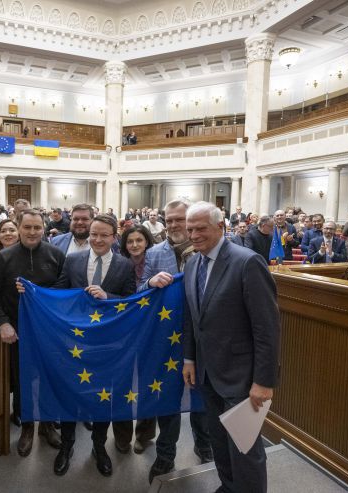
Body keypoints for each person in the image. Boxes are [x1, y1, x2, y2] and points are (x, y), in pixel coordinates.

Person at [181, 201, 280, 493]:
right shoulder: (191, 263)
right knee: (220, 441)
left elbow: (267, 328)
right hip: (208, 374)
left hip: (243, 376)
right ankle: (229, 487)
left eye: (201, 228)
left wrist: (263, 381)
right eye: (190, 229)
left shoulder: (247, 262)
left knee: (245, 448)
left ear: (220, 226)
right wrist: (189, 358)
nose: (194, 235)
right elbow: (192, 318)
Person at [51, 214, 136, 477]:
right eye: (94, 234)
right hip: (74, 343)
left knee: (103, 396)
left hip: (107, 345)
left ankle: (99, 447)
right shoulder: (73, 259)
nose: (98, 239)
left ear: (114, 237)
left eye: (104, 235)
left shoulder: (125, 265)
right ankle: (66, 446)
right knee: (69, 394)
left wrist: (108, 297)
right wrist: (32, 291)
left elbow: (132, 301)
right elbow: (59, 293)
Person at [0, 209, 64, 457]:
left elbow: (63, 288)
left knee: (50, 378)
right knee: (22, 382)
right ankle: (28, 426)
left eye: (37, 227)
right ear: (18, 228)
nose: (32, 232)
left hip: (49, 331)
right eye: (27, 227)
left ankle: (48, 425)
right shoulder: (4, 257)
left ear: (43, 228)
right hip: (18, 332)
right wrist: (3, 323)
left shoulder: (56, 254)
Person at [143, 199, 212, 483]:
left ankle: (204, 445)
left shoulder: (207, 251)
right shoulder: (153, 253)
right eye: (168, 220)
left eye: (179, 219)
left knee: (202, 394)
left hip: (203, 335)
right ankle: (165, 455)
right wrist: (149, 283)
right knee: (168, 397)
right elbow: (139, 289)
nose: (173, 225)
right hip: (167, 337)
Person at [113, 224, 157, 453]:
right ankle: (121, 437)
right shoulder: (119, 264)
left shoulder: (157, 261)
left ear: (147, 242)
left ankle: (145, 434)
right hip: (123, 334)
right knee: (121, 384)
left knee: (149, 383)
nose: (134, 245)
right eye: (130, 241)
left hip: (152, 330)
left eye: (139, 240)